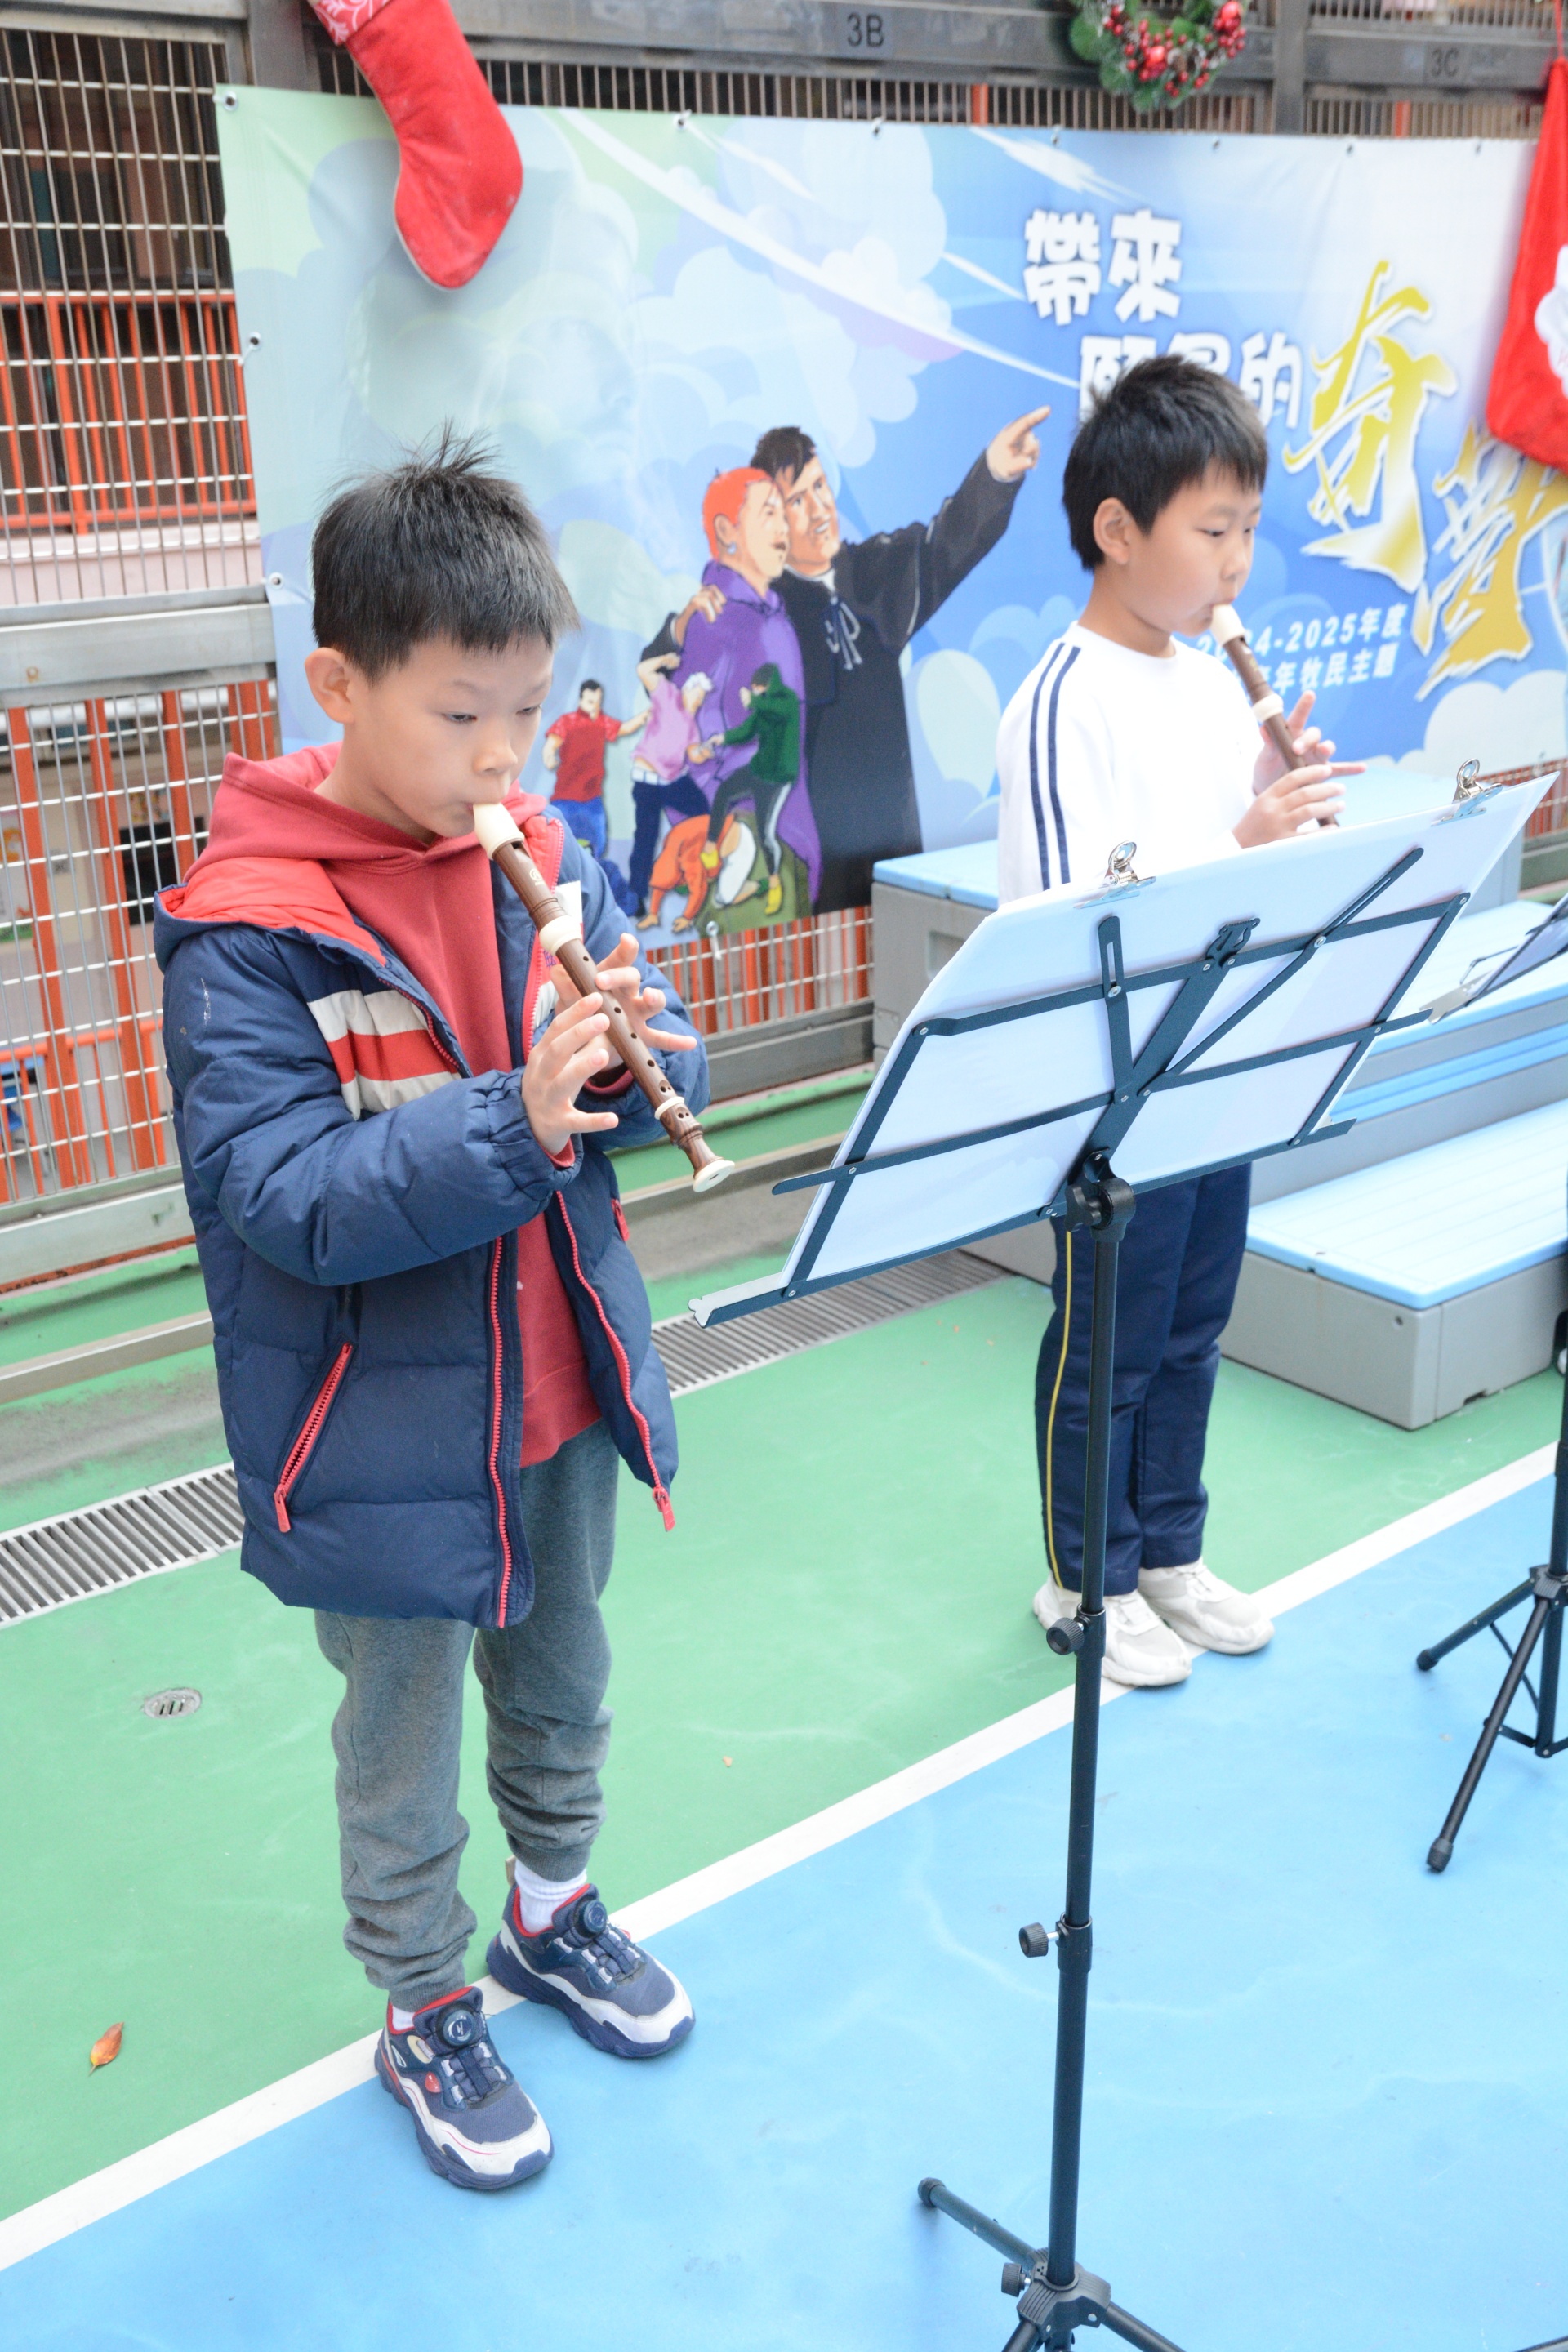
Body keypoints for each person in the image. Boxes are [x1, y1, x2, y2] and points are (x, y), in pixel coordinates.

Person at [155, 442, 706, 2194]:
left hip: (556, 1376)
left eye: (527, 713)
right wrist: (515, 1118)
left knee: (566, 1672)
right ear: (338, 685)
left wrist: (638, 1062)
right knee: (398, 1736)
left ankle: (553, 1908)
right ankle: (423, 1998)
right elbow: (287, 1198)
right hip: (379, 1426)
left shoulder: (537, 847)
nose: (500, 758)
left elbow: (614, 1060)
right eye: (461, 715)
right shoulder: (248, 929)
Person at [996, 355, 1358, 1690]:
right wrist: (1237, 838)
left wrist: (1275, 798)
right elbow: (1076, 905)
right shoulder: (1061, 697)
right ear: (1117, 529)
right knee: (1110, 1340)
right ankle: (1083, 1578)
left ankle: (1167, 1555)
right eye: (1214, 530)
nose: (1236, 563)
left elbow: (1229, 870)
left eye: (1249, 529)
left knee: (1195, 1327)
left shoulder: (1211, 683)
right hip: (1113, 1089)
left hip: (1217, 1063)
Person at [747, 409, 1049, 911]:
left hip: (894, 851)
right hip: (814, 864)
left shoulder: (873, 572)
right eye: (797, 500)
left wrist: (993, 473)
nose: (818, 509)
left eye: (820, 487)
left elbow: (944, 543)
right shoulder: (765, 612)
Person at [644, 467, 820, 916]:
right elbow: (682, 727)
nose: (785, 527)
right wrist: (721, 834)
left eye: (784, 513)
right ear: (727, 531)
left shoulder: (771, 614)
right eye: (769, 513)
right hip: (744, 842)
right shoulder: (715, 617)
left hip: (785, 833)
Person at [693, 662, 803, 918]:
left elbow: (776, 710)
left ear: (768, 686)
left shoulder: (787, 701)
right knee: (724, 791)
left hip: (778, 779)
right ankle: (711, 848)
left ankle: (774, 884)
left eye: (758, 688)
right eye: (753, 689)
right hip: (758, 769)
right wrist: (723, 738)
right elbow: (747, 730)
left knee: (766, 835)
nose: (755, 692)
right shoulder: (762, 706)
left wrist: (753, 700)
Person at [627, 653, 712, 916]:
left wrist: (704, 752)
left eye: (702, 699)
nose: (699, 701)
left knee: (702, 811)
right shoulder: (667, 695)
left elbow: (694, 753)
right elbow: (643, 670)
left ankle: (688, 868)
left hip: (674, 780)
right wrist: (664, 659)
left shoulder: (691, 723)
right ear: (688, 689)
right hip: (649, 782)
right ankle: (637, 896)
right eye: (697, 695)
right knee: (646, 838)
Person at [541, 677, 640, 864]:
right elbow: (552, 742)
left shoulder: (602, 722)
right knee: (556, 845)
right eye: (590, 701)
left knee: (598, 845)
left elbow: (625, 728)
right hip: (566, 797)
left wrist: (645, 716)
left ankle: (590, 874)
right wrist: (549, 756)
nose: (594, 706)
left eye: (597, 702)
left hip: (592, 798)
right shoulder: (567, 722)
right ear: (581, 700)